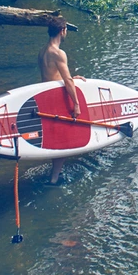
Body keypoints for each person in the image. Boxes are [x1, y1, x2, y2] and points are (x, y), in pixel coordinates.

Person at [38, 17, 85, 185]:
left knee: (57, 137)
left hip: (46, 97)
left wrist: (73, 78)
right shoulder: (58, 53)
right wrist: (77, 104)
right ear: (62, 30)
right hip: (57, 100)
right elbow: (67, 81)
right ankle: (54, 179)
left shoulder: (43, 51)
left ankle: (54, 175)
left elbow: (52, 76)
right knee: (63, 140)